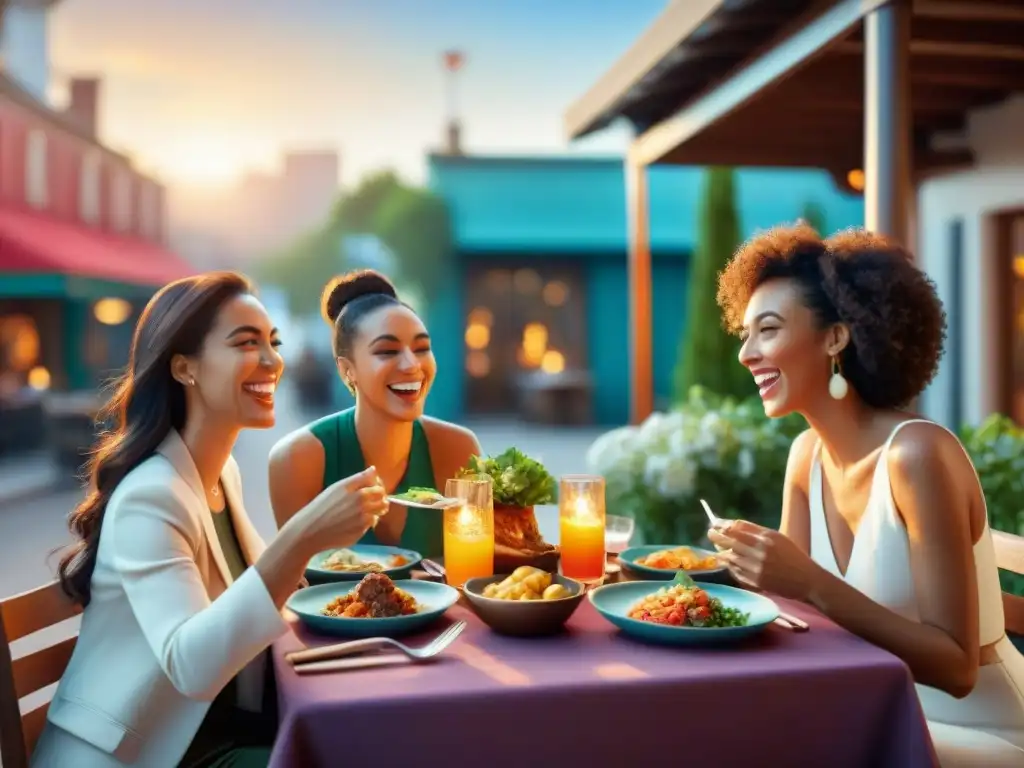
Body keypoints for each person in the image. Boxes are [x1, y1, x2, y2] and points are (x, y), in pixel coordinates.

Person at [32, 272, 388, 768]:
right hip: (144, 754)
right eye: (246, 343)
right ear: (185, 368)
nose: (272, 361)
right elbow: (192, 666)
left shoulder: (221, 474)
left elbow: (256, 604)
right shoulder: (152, 494)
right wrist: (304, 534)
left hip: (216, 733)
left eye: (273, 342)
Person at [706, 223, 1024, 766]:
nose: (746, 354)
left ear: (835, 337)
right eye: (746, 333)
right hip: (871, 706)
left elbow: (957, 669)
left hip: (970, 728)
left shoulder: (916, 457)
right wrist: (747, 575)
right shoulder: (806, 457)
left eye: (769, 330)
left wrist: (808, 581)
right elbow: (796, 616)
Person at [270, 270, 480, 556]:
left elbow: (477, 572)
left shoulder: (458, 450)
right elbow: (291, 582)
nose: (411, 365)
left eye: (421, 348)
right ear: (347, 370)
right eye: (387, 351)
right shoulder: (297, 459)